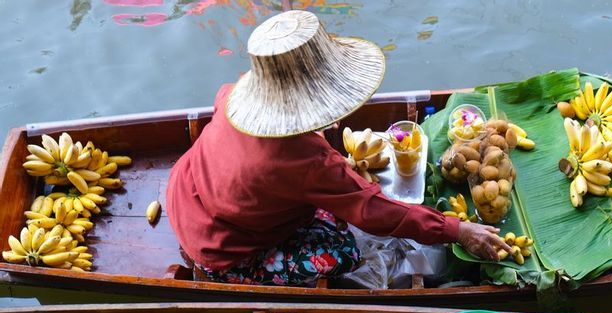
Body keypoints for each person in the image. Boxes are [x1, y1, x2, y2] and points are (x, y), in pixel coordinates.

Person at [166, 10, 507, 286]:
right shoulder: (307, 162)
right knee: (343, 251)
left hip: (185, 190)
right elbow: (372, 212)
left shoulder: (234, 92)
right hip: (222, 247)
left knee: (331, 209)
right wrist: (456, 230)